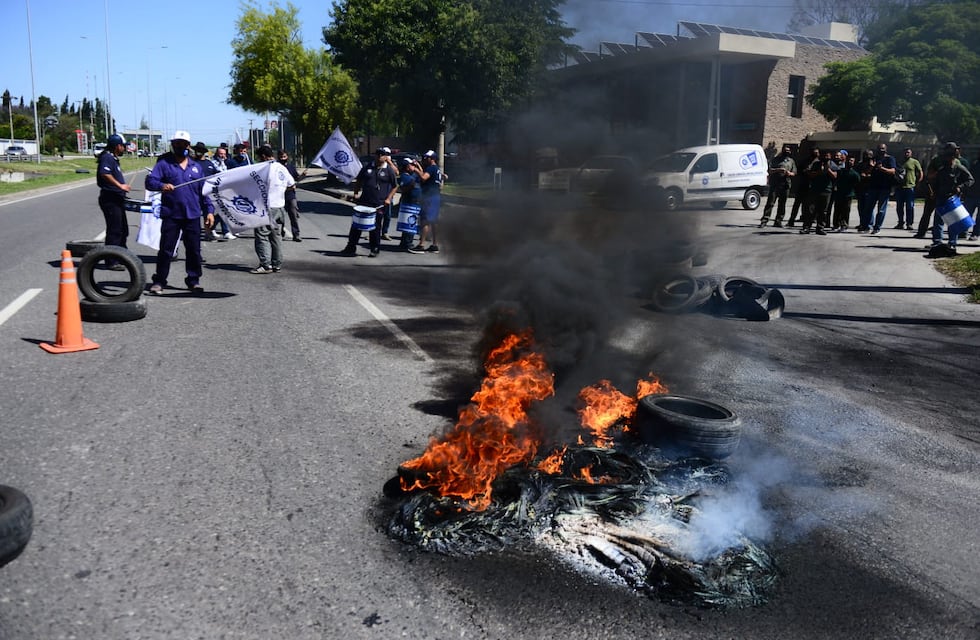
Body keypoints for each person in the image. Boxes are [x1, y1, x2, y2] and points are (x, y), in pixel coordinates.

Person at [144, 130, 215, 294]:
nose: (180, 147)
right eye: (177, 144)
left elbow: (204, 193)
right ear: (173, 145)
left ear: (188, 146)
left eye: (183, 144)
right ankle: (160, 281)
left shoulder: (196, 167)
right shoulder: (164, 164)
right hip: (172, 215)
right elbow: (150, 181)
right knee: (166, 250)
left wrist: (209, 212)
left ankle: (193, 280)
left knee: (194, 251)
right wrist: (162, 186)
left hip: (192, 215)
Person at [341, 147, 398, 257]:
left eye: (382, 155)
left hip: (379, 204)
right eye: (377, 154)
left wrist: (388, 198)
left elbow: (395, 186)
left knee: (375, 227)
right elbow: (359, 180)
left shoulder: (388, 170)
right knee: (356, 225)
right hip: (364, 202)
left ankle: (375, 248)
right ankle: (351, 246)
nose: (379, 156)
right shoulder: (367, 167)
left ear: (386, 157)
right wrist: (356, 193)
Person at [248, 145, 294, 274]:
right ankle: (277, 264)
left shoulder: (264, 169)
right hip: (279, 206)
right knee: (276, 236)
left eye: (258, 157)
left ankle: (265, 264)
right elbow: (292, 185)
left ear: (263, 156)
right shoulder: (281, 167)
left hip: (267, 207)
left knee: (262, 235)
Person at [928, 142, 975, 256]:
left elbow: (970, 180)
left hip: (952, 199)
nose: (946, 158)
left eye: (948, 156)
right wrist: (933, 192)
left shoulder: (958, 167)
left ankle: (952, 243)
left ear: (953, 156)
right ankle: (937, 243)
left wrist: (960, 187)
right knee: (938, 222)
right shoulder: (942, 168)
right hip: (940, 198)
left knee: (953, 223)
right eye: (945, 156)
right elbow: (936, 181)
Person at [96, 133, 131, 270]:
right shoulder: (107, 158)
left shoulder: (114, 159)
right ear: (117, 146)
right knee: (115, 231)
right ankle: (111, 261)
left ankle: (122, 256)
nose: (125, 149)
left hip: (117, 199)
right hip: (110, 199)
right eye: (123, 146)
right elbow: (105, 174)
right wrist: (120, 186)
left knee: (123, 230)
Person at [409, 150, 445, 253]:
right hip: (435, 196)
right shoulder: (436, 168)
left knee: (425, 220)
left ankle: (421, 245)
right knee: (434, 221)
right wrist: (419, 167)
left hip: (429, 197)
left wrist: (415, 170)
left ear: (432, 159)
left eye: (427, 158)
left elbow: (424, 177)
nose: (425, 159)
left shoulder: (431, 168)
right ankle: (435, 245)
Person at [799, 149, 836, 235]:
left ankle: (820, 228)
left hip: (826, 191)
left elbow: (835, 176)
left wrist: (828, 169)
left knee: (823, 211)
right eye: (824, 155)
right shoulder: (816, 164)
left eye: (828, 156)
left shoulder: (832, 164)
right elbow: (810, 174)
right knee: (811, 209)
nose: (826, 157)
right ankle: (806, 227)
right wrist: (819, 172)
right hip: (815, 190)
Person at [758, 144, 796, 228]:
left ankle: (778, 221)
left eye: (788, 151)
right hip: (775, 184)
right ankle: (764, 220)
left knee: (782, 204)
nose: (787, 152)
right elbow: (770, 170)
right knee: (770, 203)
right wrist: (778, 170)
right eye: (785, 150)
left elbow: (794, 173)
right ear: (782, 150)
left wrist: (789, 173)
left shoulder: (791, 161)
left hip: (785, 184)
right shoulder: (775, 160)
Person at [866, 143, 897, 235]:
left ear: (886, 149)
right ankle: (869, 225)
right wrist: (871, 167)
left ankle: (877, 227)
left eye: (883, 148)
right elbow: (867, 172)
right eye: (879, 148)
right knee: (869, 208)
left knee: (881, 209)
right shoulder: (874, 159)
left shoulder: (890, 159)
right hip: (873, 187)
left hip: (885, 187)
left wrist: (881, 168)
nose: (881, 150)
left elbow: (892, 171)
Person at [277, 149, 307, 242]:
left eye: (284, 157)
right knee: (280, 216)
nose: (283, 158)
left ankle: (296, 234)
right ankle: (280, 233)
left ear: (287, 157)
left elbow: (297, 179)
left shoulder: (291, 167)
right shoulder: (276, 168)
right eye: (281, 157)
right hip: (279, 195)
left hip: (290, 195)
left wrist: (303, 176)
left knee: (293, 215)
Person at [787, 145, 818, 227]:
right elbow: (798, 171)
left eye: (816, 152)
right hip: (803, 185)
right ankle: (791, 220)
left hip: (812, 186)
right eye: (814, 152)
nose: (815, 154)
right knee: (797, 203)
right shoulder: (805, 161)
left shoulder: (818, 162)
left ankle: (808, 220)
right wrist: (805, 171)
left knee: (809, 205)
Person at [396, 156, 423, 250]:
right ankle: (406, 243)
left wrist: (417, 166)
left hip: (415, 202)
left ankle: (407, 242)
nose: (413, 166)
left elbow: (422, 176)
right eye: (411, 165)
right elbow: (403, 189)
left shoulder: (413, 175)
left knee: (412, 223)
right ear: (407, 166)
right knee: (409, 223)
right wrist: (411, 186)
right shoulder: (404, 176)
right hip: (409, 202)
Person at [893, 147, 923, 230]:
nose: (907, 154)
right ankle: (900, 223)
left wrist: (918, 183)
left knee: (910, 206)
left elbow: (920, 172)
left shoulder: (914, 162)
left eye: (908, 152)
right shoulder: (899, 162)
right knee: (899, 206)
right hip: (900, 187)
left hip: (910, 187)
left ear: (911, 153)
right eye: (905, 152)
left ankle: (909, 223)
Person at [833, 152, 860, 232]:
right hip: (839, 193)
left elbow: (858, 181)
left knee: (846, 211)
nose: (850, 162)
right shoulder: (841, 171)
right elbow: (836, 180)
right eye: (849, 160)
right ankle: (836, 224)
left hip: (848, 195)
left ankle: (844, 225)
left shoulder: (854, 173)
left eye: (852, 161)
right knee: (837, 210)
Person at [964, 150, 980, 241]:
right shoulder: (974, 164)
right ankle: (963, 232)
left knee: (979, 217)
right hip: (971, 194)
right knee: (966, 215)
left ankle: (975, 234)